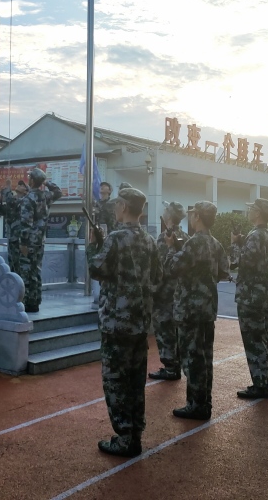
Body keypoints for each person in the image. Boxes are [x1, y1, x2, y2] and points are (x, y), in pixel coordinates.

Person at [87, 187, 162, 457]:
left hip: (116, 323)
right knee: (135, 381)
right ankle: (135, 433)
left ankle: (124, 437)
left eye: (117, 204)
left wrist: (94, 244)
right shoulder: (150, 241)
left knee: (115, 381)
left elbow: (96, 269)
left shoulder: (116, 238)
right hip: (139, 322)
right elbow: (158, 276)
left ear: (122, 207)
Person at [166, 201, 229, 420]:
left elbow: (172, 268)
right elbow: (224, 271)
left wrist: (170, 249)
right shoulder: (215, 243)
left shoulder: (193, 244)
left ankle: (196, 404)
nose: (190, 217)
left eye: (192, 213)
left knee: (191, 358)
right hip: (207, 307)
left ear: (198, 217)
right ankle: (204, 401)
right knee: (205, 357)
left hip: (190, 309)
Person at [230, 198, 268, 399]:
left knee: (253, 339)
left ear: (258, 213)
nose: (248, 211)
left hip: (251, 296)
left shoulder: (256, 235)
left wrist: (234, 245)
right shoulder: (266, 234)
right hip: (263, 293)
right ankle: (265, 376)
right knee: (263, 337)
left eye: (251, 209)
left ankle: (260, 384)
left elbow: (243, 261)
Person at [148, 201, 187, 381]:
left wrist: (152, 289)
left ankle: (170, 367)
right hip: (179, 292)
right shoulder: (186, 236)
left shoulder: (165, 238)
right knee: (175, 330)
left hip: (164, 292)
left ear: (169, 217)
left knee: (164, 329)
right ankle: (176, 363)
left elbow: (160, 266)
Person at [18, 167, 63, 313]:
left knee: (25, 271)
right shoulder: (45, 196)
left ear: (31, 181)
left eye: (30, 177)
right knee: (36, 270)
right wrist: (46, 182)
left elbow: (26, 223)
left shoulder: (28, 199)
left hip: (29, 240)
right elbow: (59, 192)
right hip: (40, 240)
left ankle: (24, 302)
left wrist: (23, 242)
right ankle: (35, 302)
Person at [0, 179, 29, 276]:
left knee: (19, 264)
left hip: (20, 239)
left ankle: (21, 287)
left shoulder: (24, 200)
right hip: (12, 237)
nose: (19, 185)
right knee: (12, 262)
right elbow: (3, 211)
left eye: (22, 185)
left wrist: (8, 188)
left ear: (25, 191)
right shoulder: (15, 200)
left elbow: (11, 202)